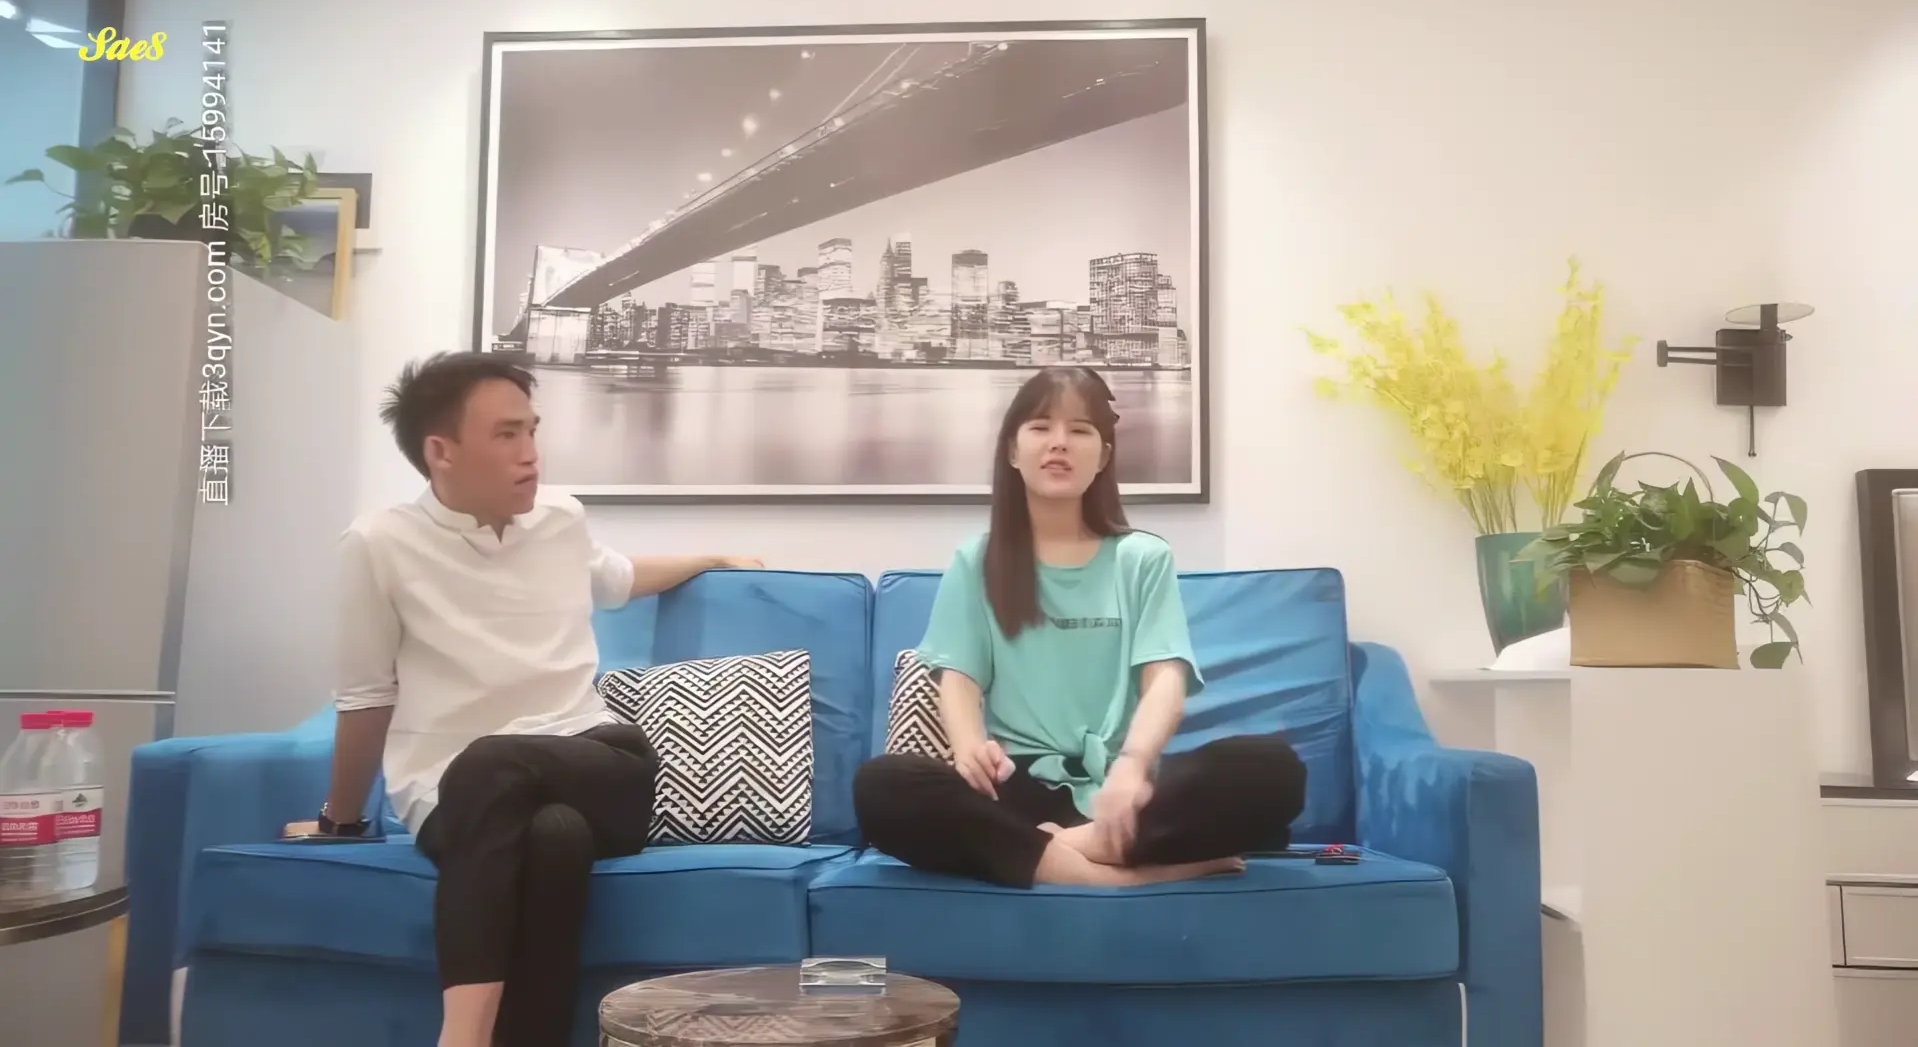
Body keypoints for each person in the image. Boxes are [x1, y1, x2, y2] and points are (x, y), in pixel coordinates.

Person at [282, 352, 761, 1047]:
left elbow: (619, 578)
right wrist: (342, 820)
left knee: (502, 765)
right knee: (549, 835)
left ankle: (460, 1038)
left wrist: (710, 558)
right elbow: (366, 696)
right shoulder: (378, 544)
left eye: (532, 431)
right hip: (451, 791)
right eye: (507, 435)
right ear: (440, 451)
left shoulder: (561, 519)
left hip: (596, 761)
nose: (531, 454)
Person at [853, 367, 1307, 888]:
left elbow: (1165, 679)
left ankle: (1061, 851)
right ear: (1012, 450)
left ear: (1104, 456)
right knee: (881, 786)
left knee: (1271, 770)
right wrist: (970, 746)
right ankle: (1116, 875)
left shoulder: (1142, 558)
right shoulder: (977, 560)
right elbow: (958, 677)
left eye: (1080, 429)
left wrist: (1132, 766)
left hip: (1119, 796)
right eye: (1040, 427)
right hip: (1013, 791)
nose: (1059, 443)